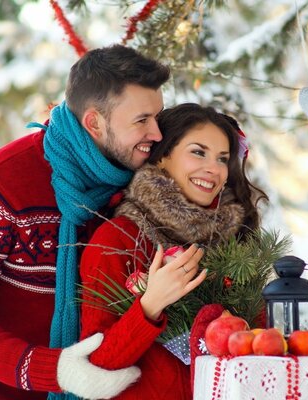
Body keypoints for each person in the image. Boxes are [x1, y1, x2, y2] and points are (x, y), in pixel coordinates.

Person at [0, 44, 200, 400]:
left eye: (157, 116)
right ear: (93, 122)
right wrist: (55, 370)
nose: (157, 133)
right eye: (141, 120)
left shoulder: (135, 191)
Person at [78, 103, 267, 399]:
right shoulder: (119, 239)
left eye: (222, 159)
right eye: (198, 152)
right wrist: (150, 305)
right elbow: (95, 366)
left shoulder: (236, 240)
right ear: (164, 155)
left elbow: (262, 349)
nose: (213, 169)